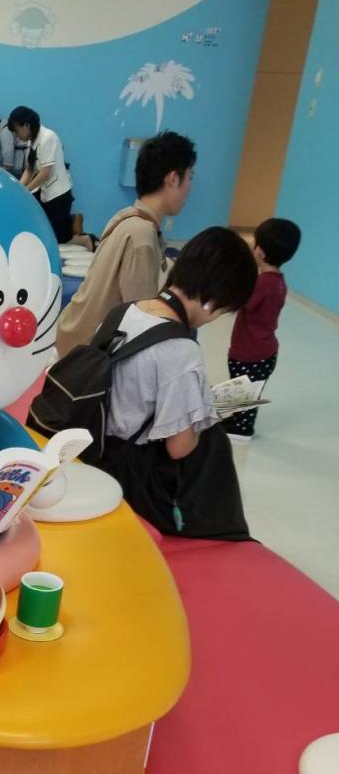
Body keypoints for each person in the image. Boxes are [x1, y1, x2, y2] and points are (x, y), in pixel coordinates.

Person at [93, 227, 258, 540]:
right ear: (214, 300)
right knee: (213, 443)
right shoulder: (180, 350)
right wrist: (201, 415)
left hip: (96, 451)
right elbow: (179, 448)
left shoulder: (123, 312)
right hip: (131, 477)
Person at [56, 131, 197, 357]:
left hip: (73, 336)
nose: (190, 188)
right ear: (173, 179)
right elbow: (142, 319)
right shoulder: (142, 235)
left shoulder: (127, 216)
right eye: (190, 177)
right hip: (88, 356)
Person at [226, 217, 301, 442]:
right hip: (264, 352)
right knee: (245, 390)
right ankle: (237, 419)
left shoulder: (263, 283)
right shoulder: (277, 280)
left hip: (250, 353)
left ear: (259, 250)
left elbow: (241, 301)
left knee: (245, 391)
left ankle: (242, 429)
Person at [8, 106, 94, 249]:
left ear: (27, 126)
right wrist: (19, 188)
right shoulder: (32, 141)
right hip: (45, 192)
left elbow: (45, 172)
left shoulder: (48, 138)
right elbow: (29, 169)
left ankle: (85, 239)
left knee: (60, 238)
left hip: (58, 194)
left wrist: (26, 190)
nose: (17, 136)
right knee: (41, 224)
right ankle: (71, 221)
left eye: (17, 131)